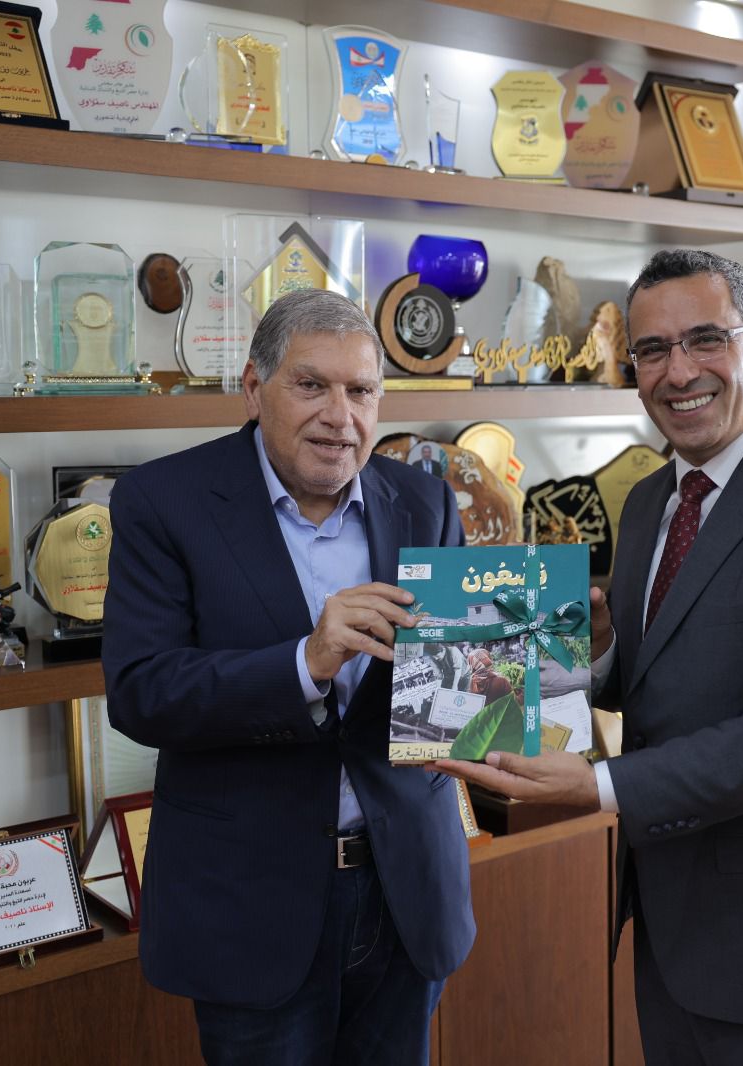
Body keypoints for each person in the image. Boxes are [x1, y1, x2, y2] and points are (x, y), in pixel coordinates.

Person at [435, 249, 743, 1064]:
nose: (678, 371)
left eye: (704, 339)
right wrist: (586, 663)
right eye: (652, 350)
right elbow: (668, 673)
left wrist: (600, 785)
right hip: (672, 925)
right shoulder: (653, 497)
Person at [102, 288, 474, 1066]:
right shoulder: (162, 501)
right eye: (312, 385)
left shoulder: (426, 501)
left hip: (406, 895)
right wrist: (307, 662)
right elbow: (141, 691)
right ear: (253, 387)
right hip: (250, 907)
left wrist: (541, 662)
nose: (341, 417)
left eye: (361, 391)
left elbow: (454, 700)